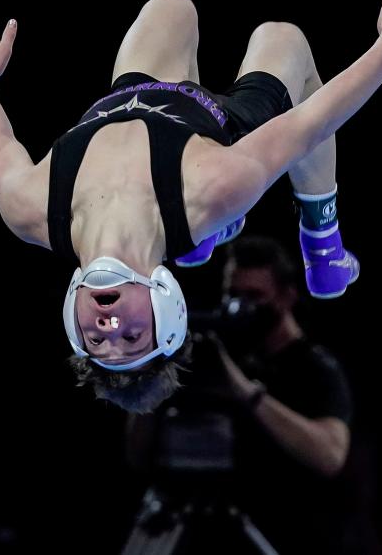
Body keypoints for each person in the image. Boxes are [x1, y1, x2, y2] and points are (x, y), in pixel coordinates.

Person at [0, 0, 382, 410]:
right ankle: (324, 249)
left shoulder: (32, 211)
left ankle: (200, 244)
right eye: (133, 337)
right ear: (164, 306)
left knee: (172, 6)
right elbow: (312, 123)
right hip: (218, 127)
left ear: (72, 324)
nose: (110, 328)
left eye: (99, 344)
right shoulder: (212, 189)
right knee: (284, 38)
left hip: (143, 94)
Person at [123, 236, 357, 554]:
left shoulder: (315, 369)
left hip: (284, 536)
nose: (241, 307)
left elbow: (330, 456)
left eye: (254, 296)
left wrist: (246, 392)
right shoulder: (212, 353)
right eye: (233, 295)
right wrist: (154, 379)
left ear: (286, 297)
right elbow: (138, 456)